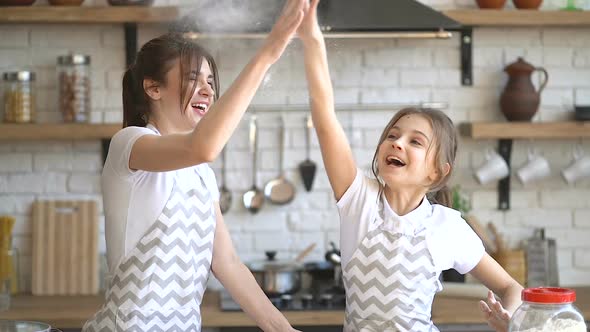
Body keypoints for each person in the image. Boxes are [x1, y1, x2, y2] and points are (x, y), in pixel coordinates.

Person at [297, 1, 524, 331]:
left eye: (415, 141)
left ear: (437, 172)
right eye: (392, 134)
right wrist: (312, 41)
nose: (397, 142)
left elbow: (511, 288)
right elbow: (324, 118)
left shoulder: (447, 228)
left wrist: (511, 320)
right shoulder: (359, 201)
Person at [82, 1, 307, 331]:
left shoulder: (200, 174)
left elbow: (226, 263)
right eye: (193, 78)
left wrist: (284, 330)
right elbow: (203, 146)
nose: (207, 89)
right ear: (153, 87)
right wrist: (266, 54)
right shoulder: (129, 144)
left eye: (210, 81)